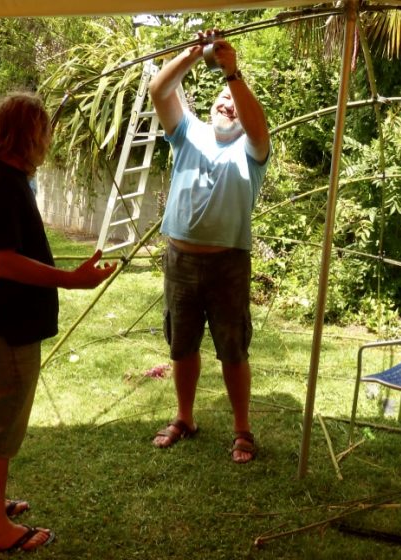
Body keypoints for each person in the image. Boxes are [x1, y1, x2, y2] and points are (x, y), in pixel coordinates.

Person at [0, 91, 116, 553]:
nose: (48, 141)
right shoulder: (2, 184)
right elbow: (3, 262)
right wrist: (71, 279)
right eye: (44, 131)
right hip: (4, 336)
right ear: (28, 134)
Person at [148, 31, 270, 463]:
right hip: (179, 260)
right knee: (181, 346)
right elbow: (159, 89)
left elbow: (258, 126)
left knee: (232, 348)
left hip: (228, 264)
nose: (228, 105)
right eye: (222, 98)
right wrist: (194, 54)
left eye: (235, 102)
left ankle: (242, 429)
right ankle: (185, 418)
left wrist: (232, 72)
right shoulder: (188, 133)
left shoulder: (252, 149)